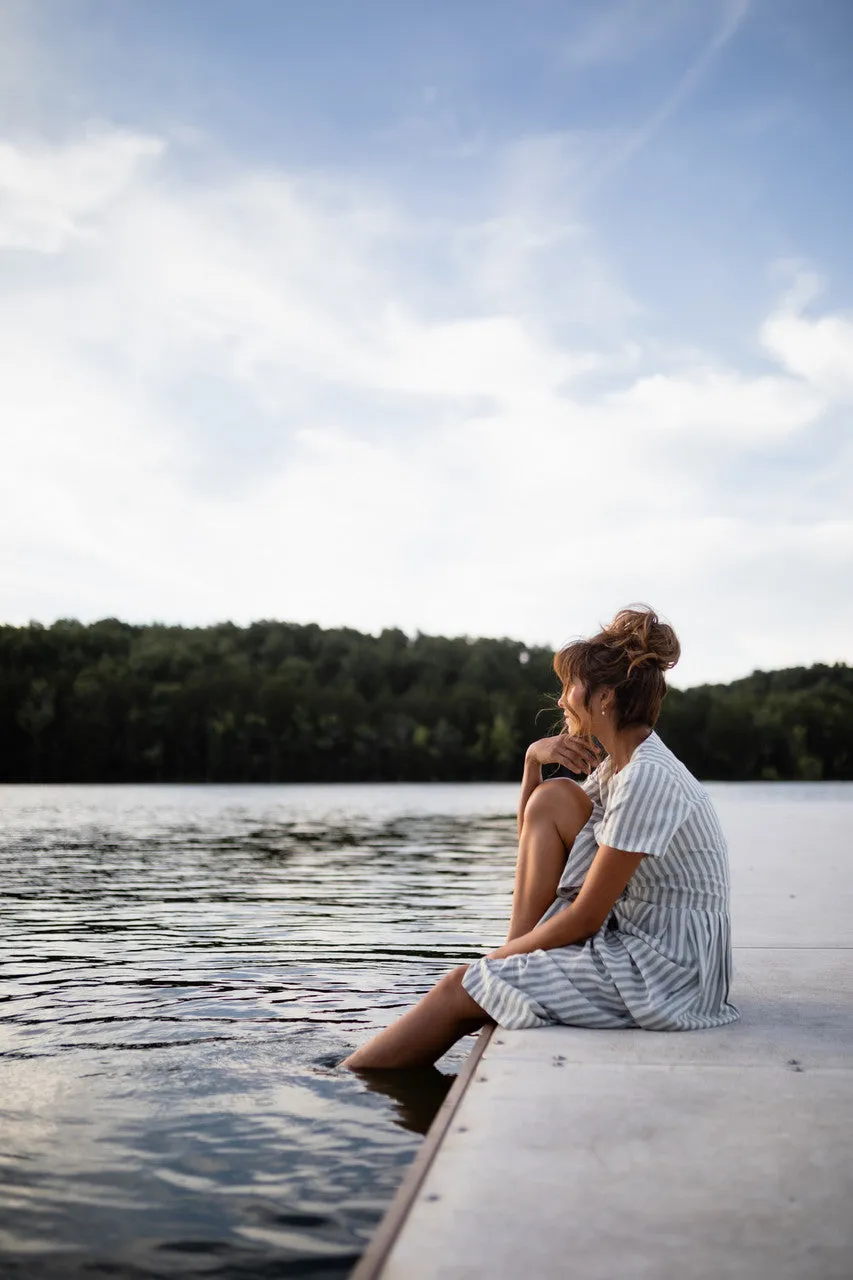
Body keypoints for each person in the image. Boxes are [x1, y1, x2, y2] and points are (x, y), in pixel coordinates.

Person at [342, 605, 739, 1071]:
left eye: (570, 686)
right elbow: (537, 834)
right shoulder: (621, 766)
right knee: (555, 795)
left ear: (605, 697)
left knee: (456, 987)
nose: (561, 701)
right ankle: (499, 974)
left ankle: (351, 1081)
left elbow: (587, 917)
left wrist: (492, 961)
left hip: (667, 973)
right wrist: (533, 761)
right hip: (649, 945)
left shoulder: (646, 777)